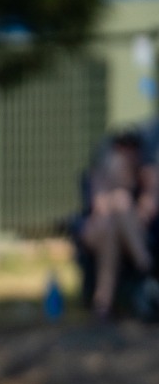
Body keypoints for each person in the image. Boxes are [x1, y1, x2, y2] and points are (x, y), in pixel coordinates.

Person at [80, 131, 155, 319]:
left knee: (113, 227)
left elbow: (147, 212)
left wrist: (131, 186)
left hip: (128, 231)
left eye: (131, 150)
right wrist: (117, 185)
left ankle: (102, 304)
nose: (127, 154)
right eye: (121, 150)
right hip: (102, 229)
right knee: (112, 222)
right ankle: (145, 267)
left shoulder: (146, 173)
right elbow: (100, 209)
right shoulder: (102, 173)